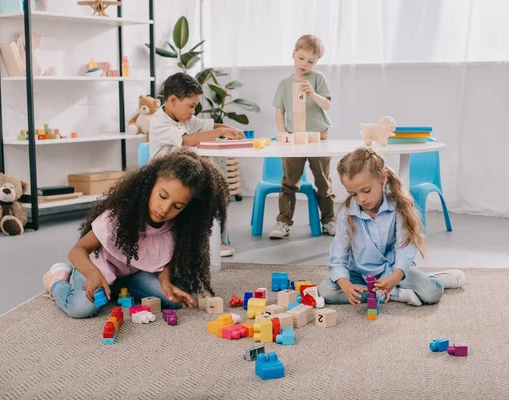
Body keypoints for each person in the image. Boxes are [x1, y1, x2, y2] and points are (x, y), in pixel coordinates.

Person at [41, 148, 229, 318]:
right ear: (150, 186)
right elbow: (78, 250)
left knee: (175, 299)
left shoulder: (174, 228)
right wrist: (91, 274)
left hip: (132, 275)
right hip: (97, 269)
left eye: (177, 206)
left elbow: (166, 263)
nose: (164, 209)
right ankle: (57, 279)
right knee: (81, 309)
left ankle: (120, 290)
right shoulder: (120, 215)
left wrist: (165, 283)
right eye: (162, 196)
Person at [318, 147, 467, 307]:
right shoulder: (346, 213)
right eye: (353, 194)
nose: (361, 198)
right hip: (360, 275)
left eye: (366, 190)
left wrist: (395, 277)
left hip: (394, 270)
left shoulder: (398, 207)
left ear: (382, 177)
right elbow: (338, 257)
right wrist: (346, 286)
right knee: (326, 290)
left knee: (432, 293)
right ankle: (398, 294)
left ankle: (435, 278)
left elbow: (405, 248)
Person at [150, 72, 244, 256]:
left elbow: (206, 125)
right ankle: (210, 242)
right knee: (205, 194)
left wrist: (230, 129)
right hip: (164, 176)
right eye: (191, 106)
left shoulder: (184, 118)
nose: (193, 112)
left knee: (218, 190)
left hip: (183, 173)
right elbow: (187, 140)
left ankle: (216, 240)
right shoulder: (160, 121)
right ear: (173, 100)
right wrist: (222, 131)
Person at [269, 34, 336, 239]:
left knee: (323, 181)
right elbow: (279, 110)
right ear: (293, 55)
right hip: (294, 137)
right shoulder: (284, 83)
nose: (304, 64)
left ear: (316, 62)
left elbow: (327, 104)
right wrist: (282, 134)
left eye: (310, 61)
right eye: (301, 58)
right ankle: (283, 222)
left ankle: (328, 220)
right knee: (289, 181)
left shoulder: (318, 79)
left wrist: (312, 94)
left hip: (319, 136)